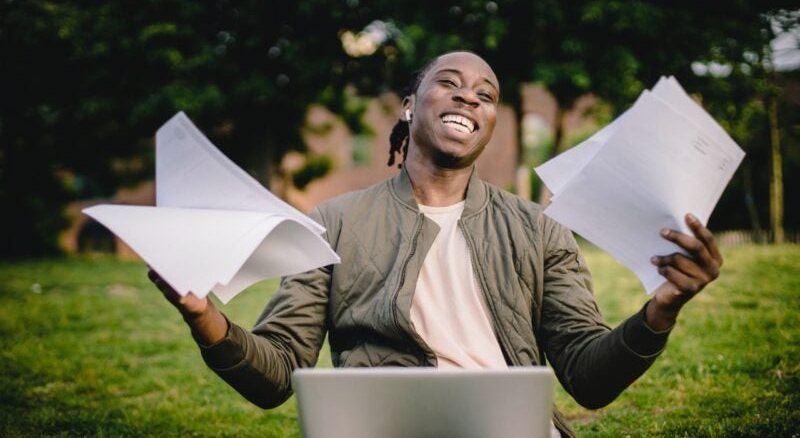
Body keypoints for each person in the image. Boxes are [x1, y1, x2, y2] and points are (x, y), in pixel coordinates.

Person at [148, 51, 723, 437]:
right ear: (409, 105)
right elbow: (275, 376)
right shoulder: (334, 221)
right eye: (449, 83)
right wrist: (203, 316)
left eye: (486, 94)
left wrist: (660, 311)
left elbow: (589, 377)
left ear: (492, 121)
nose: (469, 98)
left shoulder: (538, 229)